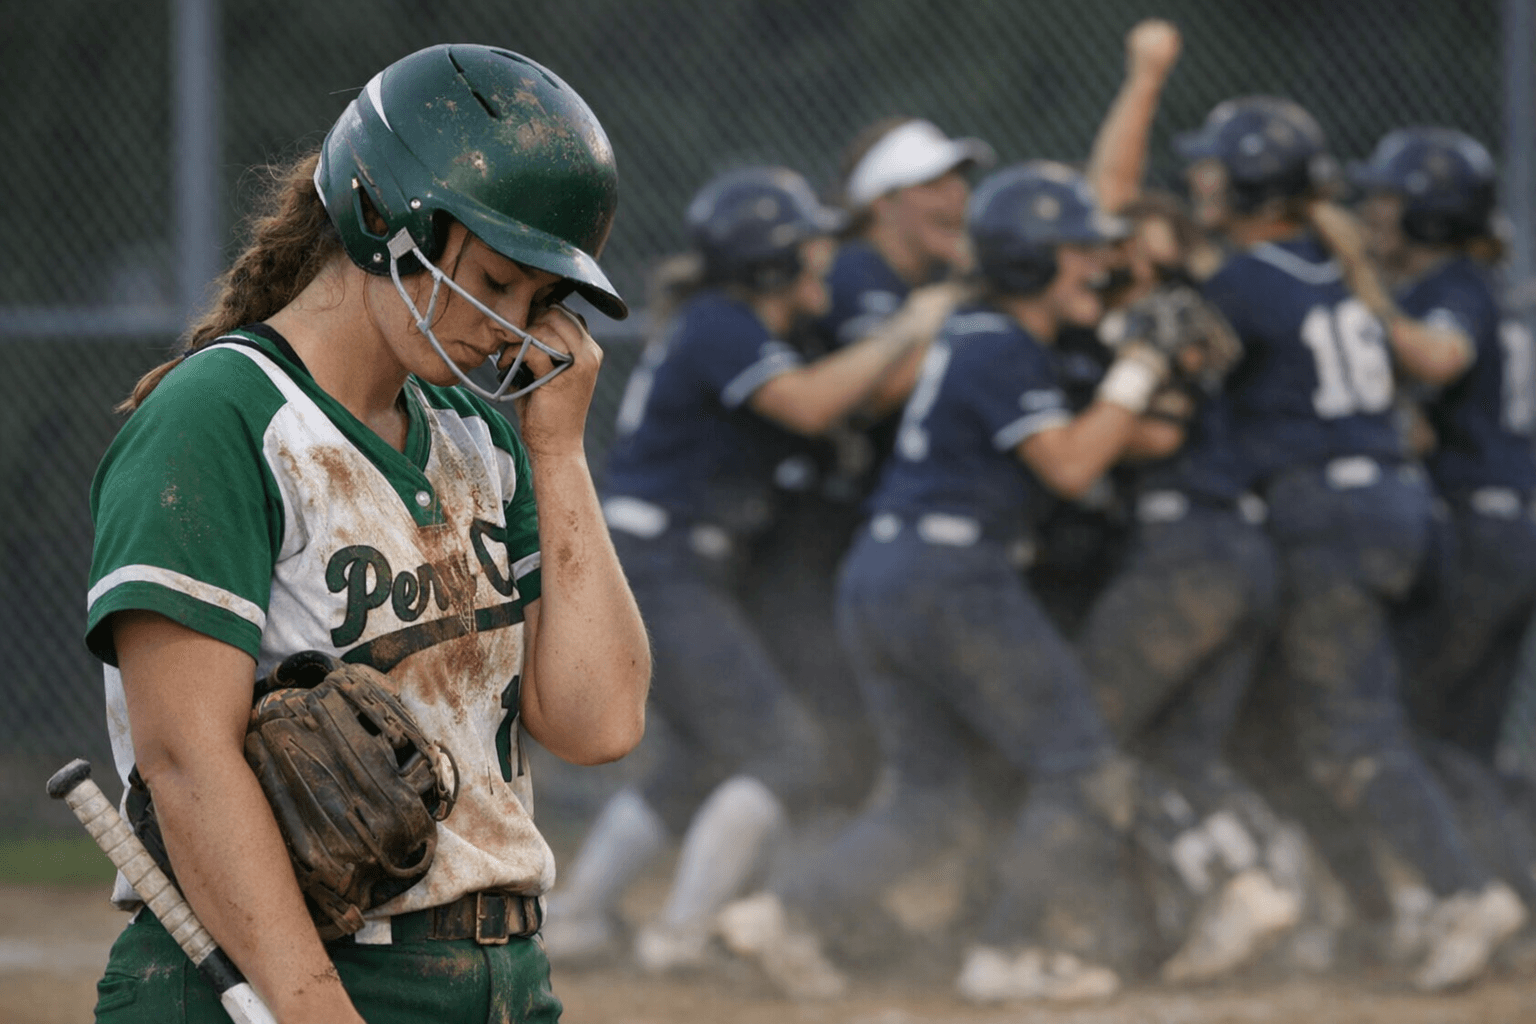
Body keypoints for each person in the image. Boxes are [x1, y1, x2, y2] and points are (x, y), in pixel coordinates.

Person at [84, 44, 650, 1023]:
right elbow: (184, 761)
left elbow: (598, 721)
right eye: (496, 280)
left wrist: (558, 452)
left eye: (538, 301)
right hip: (291, 984)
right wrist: (315, 1009)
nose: (512, 327)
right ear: (381, 217)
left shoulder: (479, 437)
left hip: (497, 979)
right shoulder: (220, 416)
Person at [717, 162, 1200, 1005]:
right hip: (951, 577)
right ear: (1026, 262)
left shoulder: (986, 334)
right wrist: (1140, 367)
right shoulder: (1001, 342)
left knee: (929, 799)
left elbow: (1106, 439)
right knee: (1078, 764)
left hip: (891, 572)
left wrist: (1144, 374)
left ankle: (781, 915)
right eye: (1078, 251)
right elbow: (1073, 466)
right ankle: (1011, 951)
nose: (1098, 266)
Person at [542, 166, 934, 973]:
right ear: (769, 264)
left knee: (700, 758)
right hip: (661, 559)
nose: (826, 258)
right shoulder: (723, 321)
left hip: (668, 558)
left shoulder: (741, 324)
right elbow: (811, 404)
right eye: (809, 246)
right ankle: (682, 935)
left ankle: (576, 917)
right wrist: (912, 326)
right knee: (785, 752)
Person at [1174, 95, 1527, 991]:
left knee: (1355, 734)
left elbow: (1191, 369)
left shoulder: (1249, 279)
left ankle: (1460, 893)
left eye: (1215, 170)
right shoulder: (1336, 273)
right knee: (1378, 729)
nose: (1199, 182)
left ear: (1249, 188)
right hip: (1409, 511)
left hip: (1329, 520)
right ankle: (1396, 901)